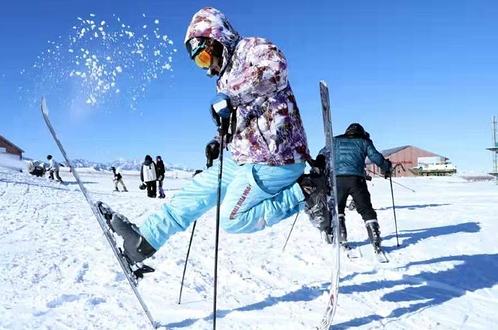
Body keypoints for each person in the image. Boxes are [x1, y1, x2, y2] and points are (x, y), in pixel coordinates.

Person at [98, 7, 321, 266]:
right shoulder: (222, 79)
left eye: (204, 58)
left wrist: (231, 96)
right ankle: (144, 242)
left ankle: (307, 190)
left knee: (233, 219)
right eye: (199, 63)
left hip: (276, 158)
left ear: (217, 41)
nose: (207, 69)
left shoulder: (252, 47)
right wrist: (219, 140)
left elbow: (275, 69)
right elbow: (236, 118)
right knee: (193, 194)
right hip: (241, 158)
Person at [317, 123, 392, 252]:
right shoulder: (364, 141)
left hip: (337, 180)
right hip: (357, 180)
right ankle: (375, 240)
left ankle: (341, 237)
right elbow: (376, 157)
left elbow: (321, 155)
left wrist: (319, 169)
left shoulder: (335, 141)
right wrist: (387, 168)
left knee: (337, 209)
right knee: (366, 210)